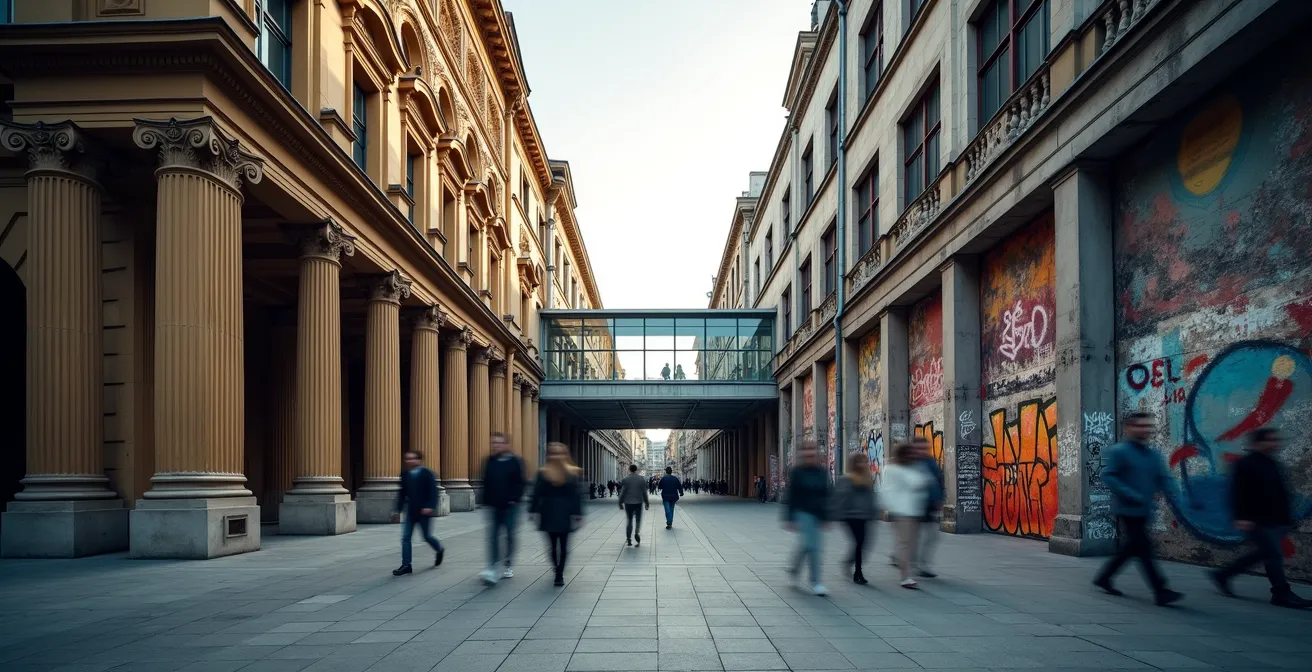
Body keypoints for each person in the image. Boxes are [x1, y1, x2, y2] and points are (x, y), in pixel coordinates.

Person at [1211, 428, 1311, 609]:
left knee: (1262, 553)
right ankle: (1281, 593)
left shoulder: (1272, 464)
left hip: (1274, 520)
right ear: (1257, 443)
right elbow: (1237, 493)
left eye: (1275, 440)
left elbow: (1280, 493)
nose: (1275, 443)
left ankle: (1223, 575)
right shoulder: (1245, 464)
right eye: (1270, 440)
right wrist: (1241, 517)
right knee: (1272, 554)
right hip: (1255, 520)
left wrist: (1287, 519)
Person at [1093, 412, 1184, 606]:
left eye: (1147, 426)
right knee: (1144, 548)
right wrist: (1130, 494)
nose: (1145, 430)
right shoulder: (1119, 451)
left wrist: (1177, 497)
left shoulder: (1153, 454)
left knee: (1131, 549)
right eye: (1140, 426)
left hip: (1145, 509)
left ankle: (1104, 578)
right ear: (1129, 428)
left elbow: (1164, 478)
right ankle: (1160, 590)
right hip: (1127, 509)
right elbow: (1108, 476)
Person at [530, 441, 584, 587]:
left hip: (555, 513)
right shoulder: (545, 473)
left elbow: (576, 495)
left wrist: (578, 513)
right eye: (553, 453)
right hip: (554, 513)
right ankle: (558, 572)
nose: (556, 456)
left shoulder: (570, 472)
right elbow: (536, 494)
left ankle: (558, 572)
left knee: (559, 546)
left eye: (558, 453)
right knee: (556, 545)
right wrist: (533, 510)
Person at [784, 438, 831, 596]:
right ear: (803, 454)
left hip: (817, 513)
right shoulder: (797, 472)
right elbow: (791, 496)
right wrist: (789, 518)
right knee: (813, 547)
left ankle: (794, 570)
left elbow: (827, 495)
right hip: (802, 513)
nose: (810, 453)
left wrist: (827, 517)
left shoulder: (822, 472)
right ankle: (816, 582)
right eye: (807, 450)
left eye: (813, 450)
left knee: (807, 546)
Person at [479, 432, 525, 586]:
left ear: (506, 444)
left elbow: (521, 483)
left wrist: (514, 499)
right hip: (493, 505)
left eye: (499, 442)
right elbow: (486, 482)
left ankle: (508, 563)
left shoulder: (515, 462)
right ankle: (492, 566)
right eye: (493, 443)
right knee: (493, 537)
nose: (495, 445)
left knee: (510, 535)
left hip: (510, 507)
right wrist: (485, 501)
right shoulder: (490, 461)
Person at [882, 442, 930, 589]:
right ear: (903, 454)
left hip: (911, 510)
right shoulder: (896, 469)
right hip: (903, 511)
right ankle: (905, 576)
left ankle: (904, 570)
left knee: (908, 543)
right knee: (906, 544)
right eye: (909, 453)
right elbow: (916, 482)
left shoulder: (901, 468)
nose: (913, 456)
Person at [391, 450, 445, 576]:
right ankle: (406, 565)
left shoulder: (427, 474)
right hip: (411, 512)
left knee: (427, 536)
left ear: (419, 460)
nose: (409, 461)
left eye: (412, 459)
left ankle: (439, 549)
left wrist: (430, 507)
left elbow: (433, 492)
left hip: (424, 512)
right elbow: (402, 493)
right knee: (405, 538)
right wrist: (397, 510)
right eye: (407, 459)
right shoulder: (405, 474)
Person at [833, 453, 878, 584]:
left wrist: (873, 512)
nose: (863, 464)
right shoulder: (846, 479)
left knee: (862, 543)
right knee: (859, 542)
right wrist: (838, 514)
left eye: (865, 462)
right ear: (853, 464)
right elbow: (839, 498)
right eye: (860, 462)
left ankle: (849, 563)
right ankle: (858, 572)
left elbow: (871, 497)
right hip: (850, 516)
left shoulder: (868, 478)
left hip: (864, 516)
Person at [913, 436, 944, 578]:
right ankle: (912, 562)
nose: (923, 451)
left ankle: (923, 564)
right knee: (913, 537)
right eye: (920, 448)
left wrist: (939, 499)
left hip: (930, 505)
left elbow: (938, 481)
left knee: (932, 536)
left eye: (925, 448)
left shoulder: (931, 462)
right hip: (914, 506)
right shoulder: (909, 463)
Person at [618, 464, 650, 547]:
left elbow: (623, 492)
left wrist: (620, 502)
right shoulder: (641, 479)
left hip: (628, 503)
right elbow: (644, 492)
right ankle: (636, 532)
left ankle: (628, 538)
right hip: (638, 502)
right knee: (638, 519)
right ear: (636, 470)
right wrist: (646, 503)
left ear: (629, 469)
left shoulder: (625, 479)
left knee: (629, 520)